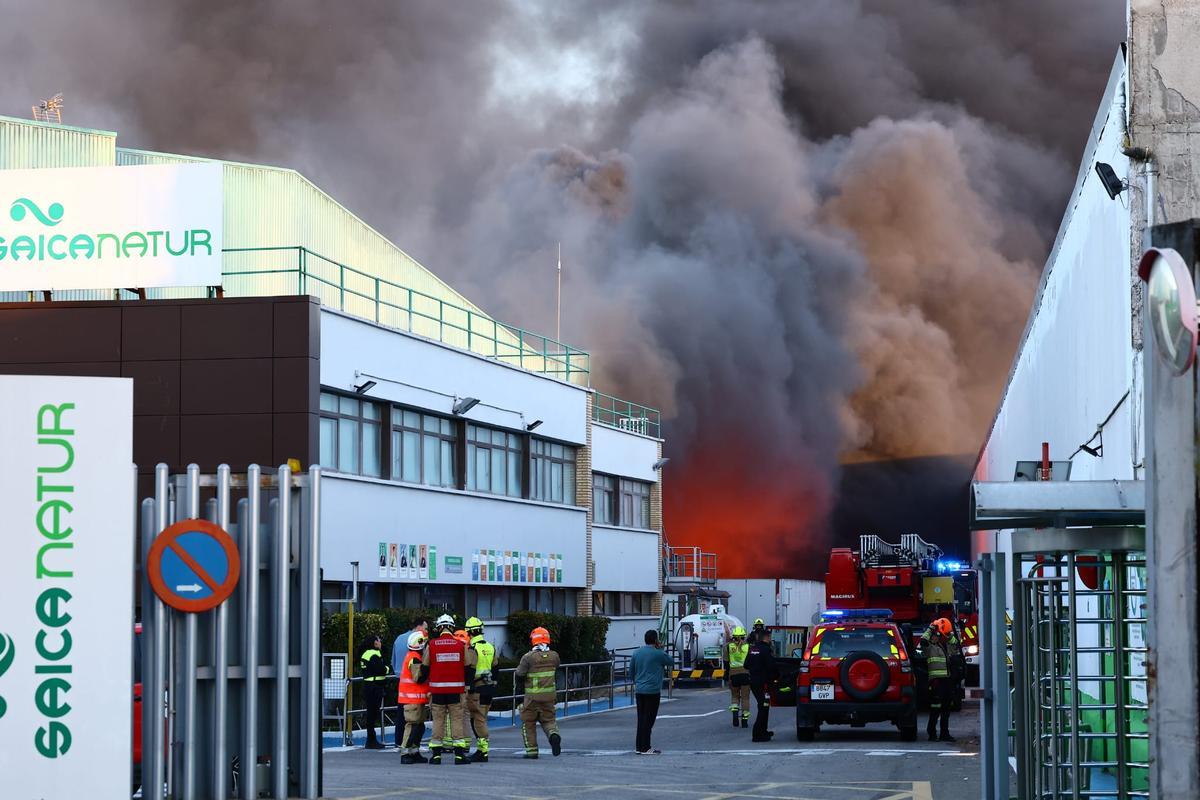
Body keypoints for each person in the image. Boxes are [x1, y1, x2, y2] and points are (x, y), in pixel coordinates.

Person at [423, 614, 472, 764]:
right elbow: (468, 667)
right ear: (452, 627)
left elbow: (425, 668)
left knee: (438, 722)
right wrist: (466, 686)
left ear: (439, 628)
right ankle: (459, 756)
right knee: (456, 721)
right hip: (456, 692)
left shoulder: (431, 645)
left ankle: (436, 756)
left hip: (437, 692)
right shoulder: (460, 645)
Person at [514, 627, 561, 759]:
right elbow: (557, 666)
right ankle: (553, 735)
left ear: (533, 640)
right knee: (549, 721)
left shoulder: (528, 657)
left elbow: (519, 674)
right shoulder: (554, 656)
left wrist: (518, 697)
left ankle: (532, 751)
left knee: (528, 724)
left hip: (531, 699)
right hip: (549, 697)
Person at [631, 629, 673, 754]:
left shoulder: (636, 653)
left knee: (641, 718)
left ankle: (639, 746)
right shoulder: (658, 653)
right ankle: (646, 747)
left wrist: (637, 681)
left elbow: (631, 671)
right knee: (649, 720)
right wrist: (660, 649)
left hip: (639, 690)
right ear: (656, 640)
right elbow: (671, 661)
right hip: (652, 691)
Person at [918, 617, 959, 742]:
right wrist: (931, 628)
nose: (936, 637)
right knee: (935, 709)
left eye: (938, 635)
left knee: (946, 708)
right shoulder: (928, 647)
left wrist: (948, 633)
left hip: (946, 681)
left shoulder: (943, 646)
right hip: (936, 682)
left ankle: (944, 734)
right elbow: (923, 640)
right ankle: (932, 734)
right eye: (934, 635)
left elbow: (955, 644)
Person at [464, 617, 496, 763]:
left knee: (478, 720)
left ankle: (482, 751)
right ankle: (481, 750)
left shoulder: (472, 649)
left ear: (469, 632)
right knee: (481, 718)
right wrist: (493, 684)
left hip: (476, 689)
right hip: (489, 688)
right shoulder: (490, 647)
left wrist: (468, 688)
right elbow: (496, 668)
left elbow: (469, 670)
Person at [396, 630, 430, 763]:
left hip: (417, 699)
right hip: (412, 700)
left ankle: (414, 752)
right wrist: (427, 667)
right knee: (412, 726)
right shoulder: (413, 658)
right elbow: (419, 678)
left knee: (419, 727)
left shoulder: (414, 656)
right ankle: (405, 754)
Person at [745, 628, 777, 742]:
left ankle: (763, 731)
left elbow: (746, 665)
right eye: (770, 637)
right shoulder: (765, 650)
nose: (770, 640)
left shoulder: (752, 649)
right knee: (763, 707)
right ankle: (757, 734)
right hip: (763, 683)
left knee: (763, 706)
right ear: (766, 637)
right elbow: (771, 666)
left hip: (754, 682)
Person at [359, 635, 389, 750]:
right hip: (374, 687)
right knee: (372, 715)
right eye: (379, 640)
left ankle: (371, 740)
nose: (380, 642)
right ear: (375, 643)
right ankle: (371, 741)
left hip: (369, 686)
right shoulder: (374, 654)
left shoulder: (366, 653)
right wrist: (386, 668)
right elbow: (381, 670)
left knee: (371, 714)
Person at [727, 626, 751, 728]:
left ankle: (735, 715)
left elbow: (726, 661)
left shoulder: (728, 647)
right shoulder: (748, 647)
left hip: (733, 674)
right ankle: (744, 720)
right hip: (745, 673)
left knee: (735, 696)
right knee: (745, 698)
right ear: (743, 636)